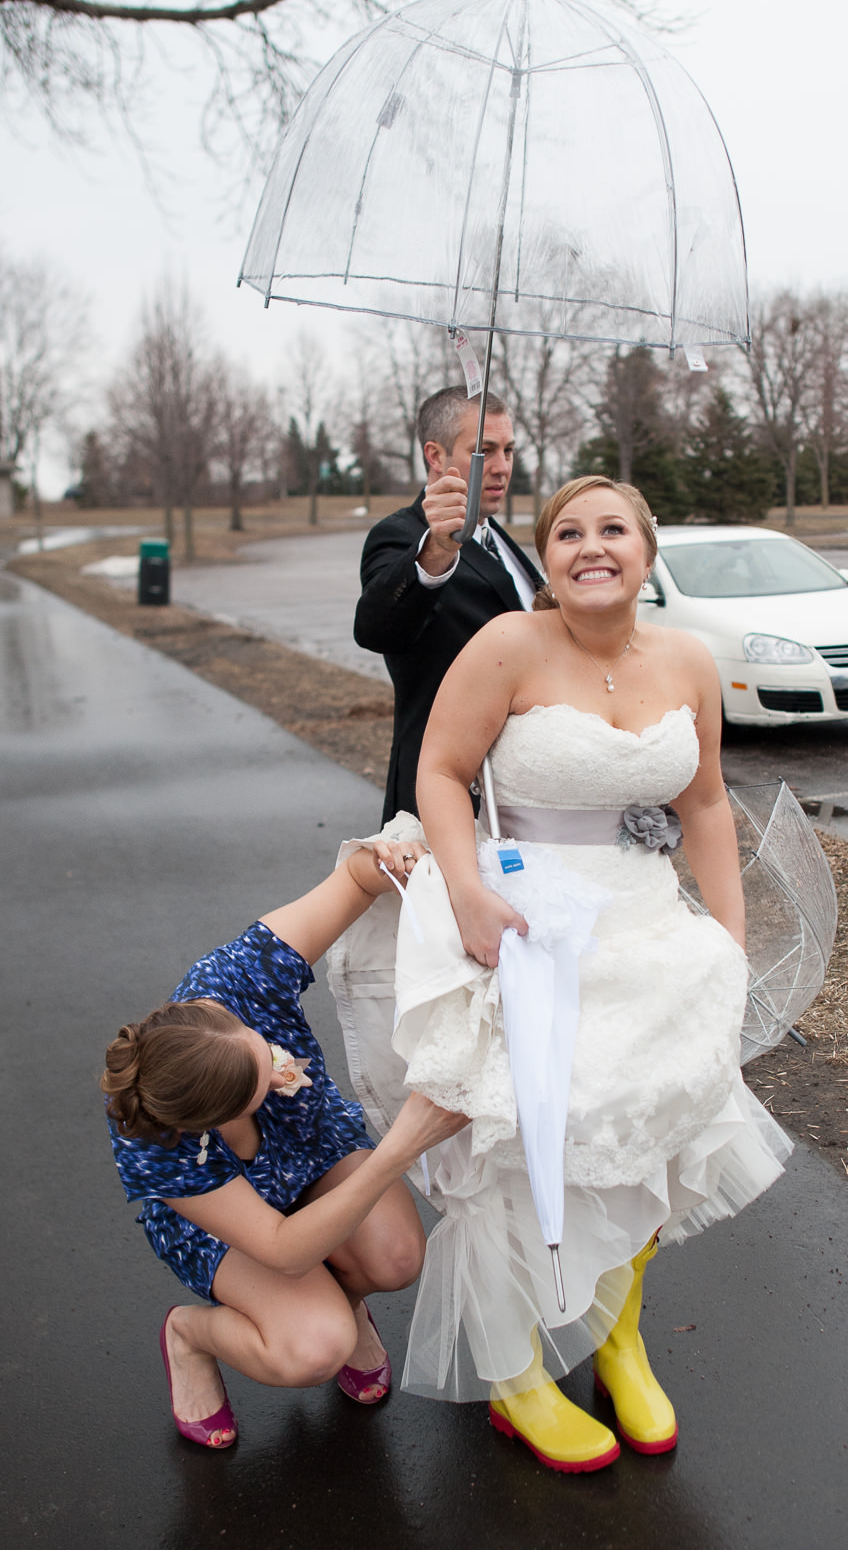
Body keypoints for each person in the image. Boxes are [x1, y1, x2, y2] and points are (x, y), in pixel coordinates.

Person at [330, 475, 792, 1474]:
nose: (593, 545)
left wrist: (730, 933)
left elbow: (705, 802)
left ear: (647, 549)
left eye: (613, 529)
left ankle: (618, 1339)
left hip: (648, 933)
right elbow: (440, 773)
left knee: (651, 1139)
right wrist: (466, 893)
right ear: (548, 555)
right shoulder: (505, 648)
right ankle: (517, 1375)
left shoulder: (688, 660)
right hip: (527, 925)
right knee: (520, 1147)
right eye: (569, 531)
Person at [102, 838, 466, 1450]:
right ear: (208, 1125)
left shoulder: (231, 978)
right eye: (258, 1089)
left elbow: (353, 882)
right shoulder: (159, 1143)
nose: (279, 1071)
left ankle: (343, 1301)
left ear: (221, 1014)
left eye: (258, 1045)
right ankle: (191, 1337)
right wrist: (399, 1150)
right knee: (314, 1349)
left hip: (311, 1153)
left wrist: (387, 863)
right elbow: (281, 1248)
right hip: (235, 1225)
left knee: (398, 1257)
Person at [354, 386, 542, 821]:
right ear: (435, 456)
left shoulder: (501, 541)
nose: (502, 468)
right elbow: (376, 629)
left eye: (510, 450)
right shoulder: (401, 536)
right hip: (445, 789)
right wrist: (436, 551)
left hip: (520, 789)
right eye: (485, 451)